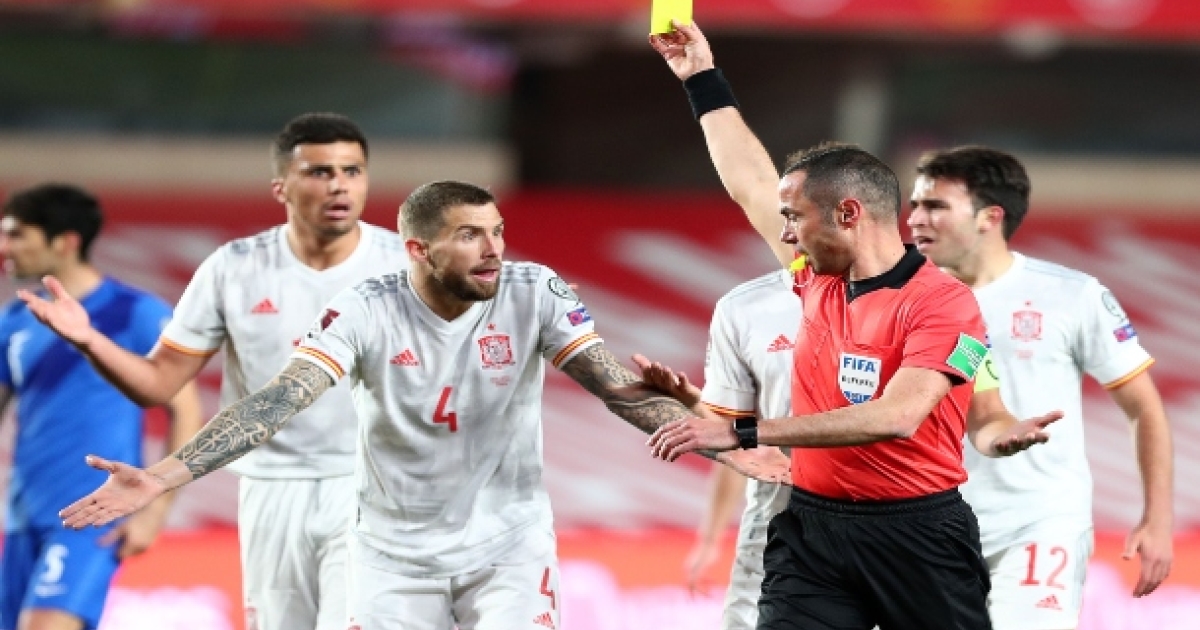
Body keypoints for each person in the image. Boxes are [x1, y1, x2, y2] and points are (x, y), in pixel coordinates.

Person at [55, 180, 789, 630]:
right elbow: (278, 400)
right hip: (392, 555)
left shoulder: (534, 291)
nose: (494, 249)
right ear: (417, 249)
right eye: (470, 235)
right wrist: (164, 477)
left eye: (498, 231)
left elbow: (614, 387)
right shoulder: (366, 309)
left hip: (508, 545)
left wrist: (719, 440)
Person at [648, 21, 1061, 630]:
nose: (784, 233)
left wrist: (744, 433)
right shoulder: (817, 278)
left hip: (918, 539)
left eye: (795, 218)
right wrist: (701, 78)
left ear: (847, 213)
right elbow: (750, 183)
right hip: (811, 532)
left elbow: (896, 417)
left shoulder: (943, 304)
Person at [17, 113, 409, 630]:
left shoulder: (406, 267)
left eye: (352, 171)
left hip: (373, 489)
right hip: (271, 490)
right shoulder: (234, 268)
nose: (339, 185)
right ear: (282, 187)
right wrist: (90, 340)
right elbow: (159, 383)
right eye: (319, 172)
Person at [642, 265, 1053, 630]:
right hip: (792, 522)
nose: (788, 231)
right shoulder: (757, 304)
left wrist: (1000, 436)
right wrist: (711, 530)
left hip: (915, 524)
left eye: (935, 211)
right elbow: (727, 429)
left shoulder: (944, 306)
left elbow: (973, 413)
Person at [907, 146, 1174, 626]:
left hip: (1038, 523)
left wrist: (1157, 519)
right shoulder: (899, 297)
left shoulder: (1072, 295)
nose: (915, 219)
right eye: (915, 205)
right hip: (924, 526)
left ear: (990, 217)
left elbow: (1144, 408)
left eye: (935, 206)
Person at [0, 184, 203, 630]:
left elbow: (185, 410)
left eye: (16, 235)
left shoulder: (134, 312)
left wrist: (155, 512)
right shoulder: (14, 321)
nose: (4, 247)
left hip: (92, 513)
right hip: (21, 518)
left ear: (65, 242)